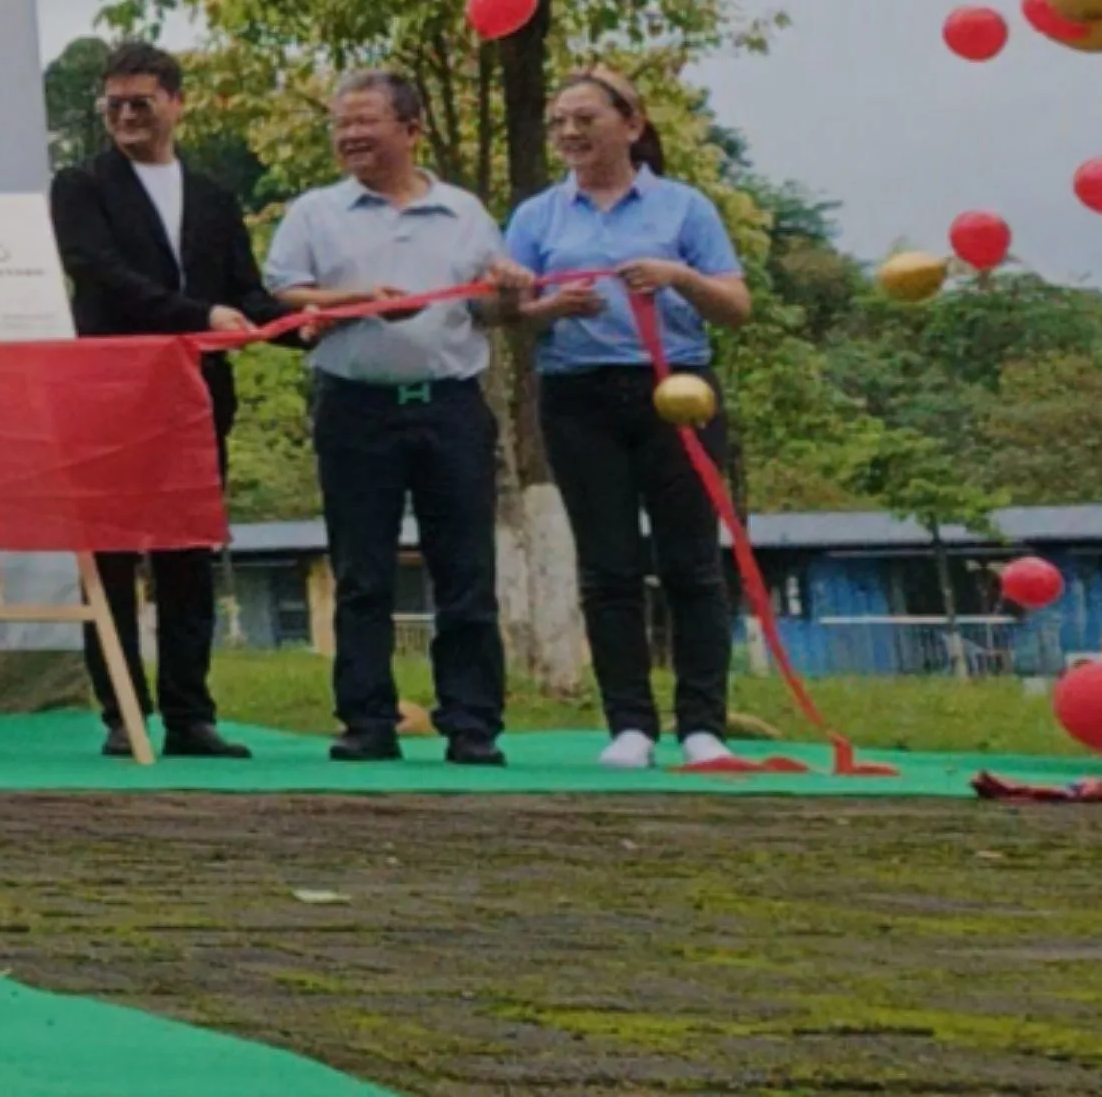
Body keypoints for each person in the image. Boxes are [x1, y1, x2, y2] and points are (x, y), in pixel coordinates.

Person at [504, 66, 756, 771]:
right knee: (608, 564)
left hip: (676, 392)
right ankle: (630, 726)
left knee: (692, 562)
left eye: (586, 118)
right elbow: (504, 310)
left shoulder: (683, 208)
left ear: (632, 125)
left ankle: (703, 726)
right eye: (559, 122)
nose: (570, 133)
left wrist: (679, 278)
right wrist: (547, 310)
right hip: (578, 397)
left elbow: (736, 306)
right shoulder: (537, 217)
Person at [262, 69, 513, 767]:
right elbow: (285, 296)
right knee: (362, 570)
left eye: (365, 122)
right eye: (341, 124)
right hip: (353, 406)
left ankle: (471, 723)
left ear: (411, 129)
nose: (350, 135)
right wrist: (360, 299)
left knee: (464, 568)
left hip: (451, 405)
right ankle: (368, 720)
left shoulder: (464, 212)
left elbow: (490, 308)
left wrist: (509, 293)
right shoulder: (315, 212)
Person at [47, 39, 280, 759]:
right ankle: (121, 712)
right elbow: (101, 273)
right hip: (110, 393)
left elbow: (245, 291)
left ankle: (190, 712)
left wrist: (314, 321)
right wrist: (198, 316)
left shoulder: (211, 196)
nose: (126, 116)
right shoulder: (79, 187)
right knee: (110, 552)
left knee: (187, 551)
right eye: (113, 105)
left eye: (140, 103)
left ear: (176, 103)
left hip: (195, 398)